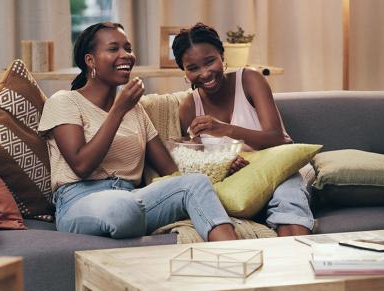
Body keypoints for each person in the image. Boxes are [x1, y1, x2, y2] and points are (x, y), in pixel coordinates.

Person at [37, 22, 236, 241]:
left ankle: (236, 260)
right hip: (80, 201)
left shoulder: (135, 109)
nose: (126, 55)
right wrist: (118, 110)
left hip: (132, 198)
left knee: (195, 183)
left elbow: (169, 169)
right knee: (124, 208)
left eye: (128, 49)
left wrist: (218, 160)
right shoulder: (65, 101)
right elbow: (81, 165)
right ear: (90, 60)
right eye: (114, 49)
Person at [172, 23, 315, 236]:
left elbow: (277, 139)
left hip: (280, 169)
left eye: (210, 61)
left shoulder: (249, 79)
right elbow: (199, 165)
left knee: (289, 202)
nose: (205, 73)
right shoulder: (189, 106)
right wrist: (225, 163)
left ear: (222, 56)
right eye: (193, 68)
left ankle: (296, 262)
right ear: (184, 71)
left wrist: (225, 129)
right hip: (240, 182)